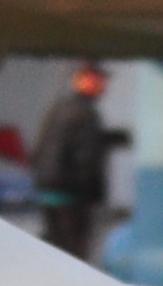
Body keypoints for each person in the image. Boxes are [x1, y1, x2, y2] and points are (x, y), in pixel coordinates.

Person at [29, 63, 119, 261]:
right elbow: (85, 158)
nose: (102, 85)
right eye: (96, 79)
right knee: (73, 252)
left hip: (48, 189)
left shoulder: (60, 108)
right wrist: (95, 193)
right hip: (72, 194)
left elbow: (41, 149)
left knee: (55, 247)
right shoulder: (85, 113)